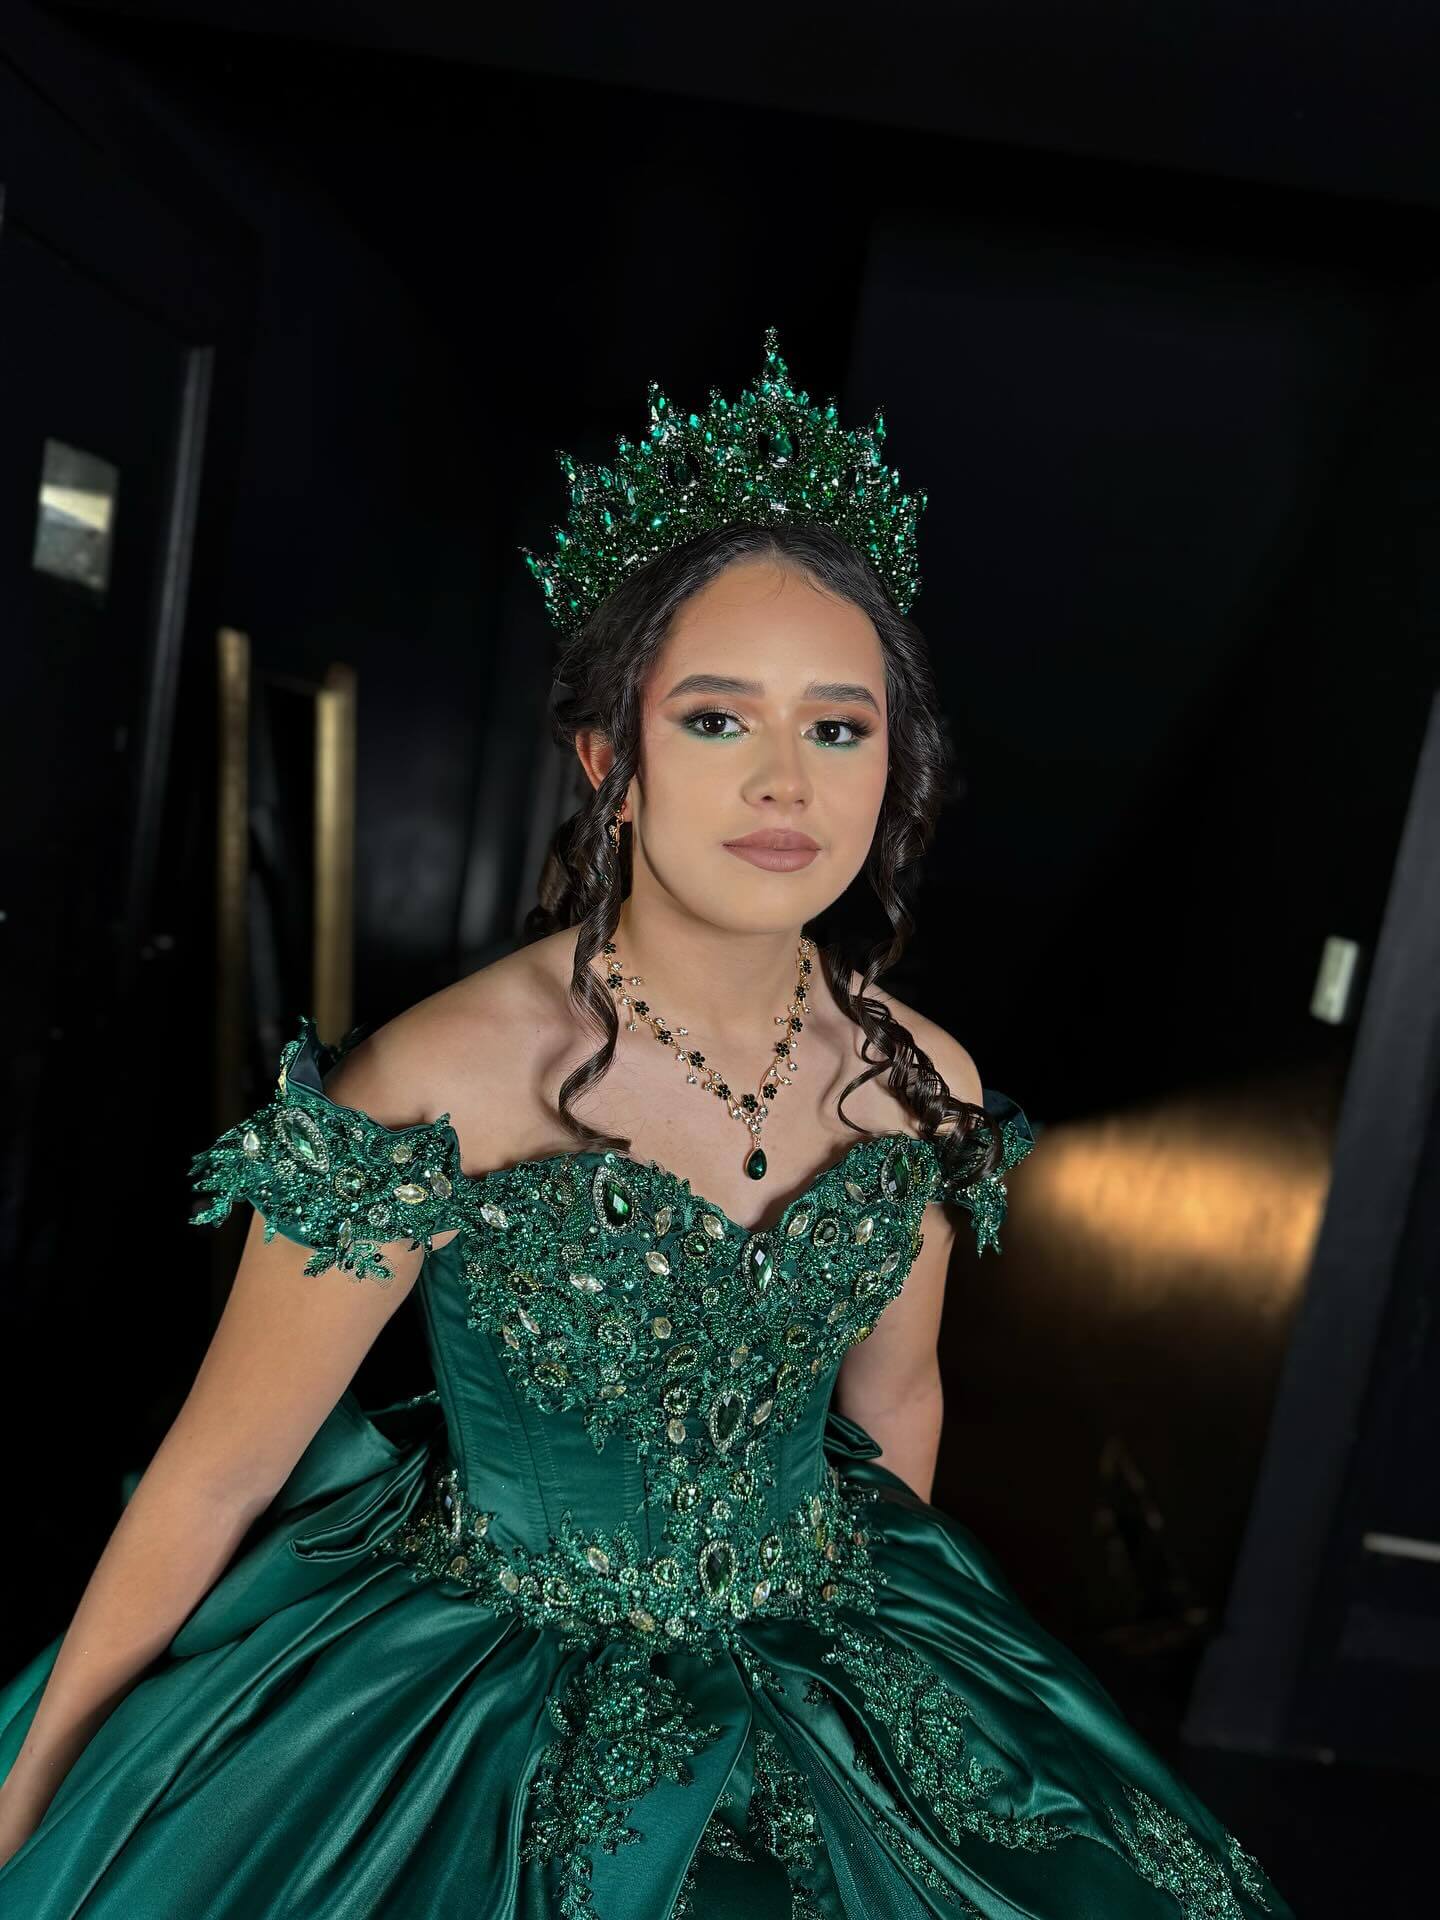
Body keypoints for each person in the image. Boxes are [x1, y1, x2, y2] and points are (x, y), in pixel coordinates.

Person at [0, 330, 1293, 1918]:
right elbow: (213, 1479)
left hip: (822, 1653)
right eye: (717, 721)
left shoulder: (921, 1081)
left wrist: (902, 1707)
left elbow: (897, 1407)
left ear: (893, 768)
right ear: (609, 757)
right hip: (478, 1702)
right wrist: (30, 1811)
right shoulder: (433, 1083)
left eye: (838, 728)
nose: (785, 784)